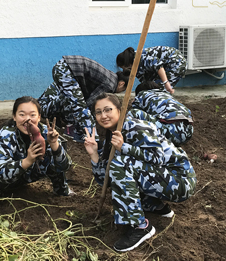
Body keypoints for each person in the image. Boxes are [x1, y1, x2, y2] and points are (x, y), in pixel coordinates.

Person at [83, 93, 196, 252]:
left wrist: (124, 147)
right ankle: (155, 206)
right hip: (163, 178)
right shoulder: (112, 135)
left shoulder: (134, 126)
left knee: (121, 164)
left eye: (108, 110)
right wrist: (94, 154)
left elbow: (157, 158)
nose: (103, 115)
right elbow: (106, 179)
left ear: (120, 110)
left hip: (180, 180)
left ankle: (140, 226)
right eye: (99, 112)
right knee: (120, 166)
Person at [0, 96, 72, 204]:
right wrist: (27, 161)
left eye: (32, 115)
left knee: (54, 157)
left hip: (29, 174)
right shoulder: (6, 135)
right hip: (8, 177)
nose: (27, 119)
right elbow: (0, 173)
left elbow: (65, 166)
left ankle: (62, 191)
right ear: (14, 116)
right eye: (22, 115)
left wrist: (54, 144)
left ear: (39, 117)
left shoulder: (47, 132)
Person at [38, 55, 128, 142]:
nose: (119, 92)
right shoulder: (111, 85)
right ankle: (94, 139)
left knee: (74, 102)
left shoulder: (111, 77)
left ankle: (67, 124)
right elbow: (91, 103)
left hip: (62, 67)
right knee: (80, 107)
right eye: (122, 90)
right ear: (121, 84)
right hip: (66, 70)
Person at [132, 81, 194, 146]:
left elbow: (135, 110)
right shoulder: (167, 94)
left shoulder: (142, 94)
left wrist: (134, 102)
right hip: (189, 132)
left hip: (170, 132)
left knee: (134, 113)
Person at [116, 46, 187, 95]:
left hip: (176, 62)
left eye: (123, 67)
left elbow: (158, 66)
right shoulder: (135, 67)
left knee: (160, 89)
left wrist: (166, 82)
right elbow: (146, 83)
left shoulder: (141, 58)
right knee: (153, 87)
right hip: (164, 65)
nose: (123, 70)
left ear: (127, 64)